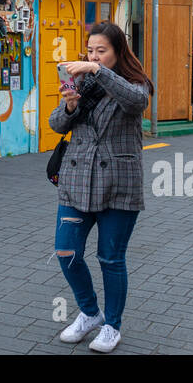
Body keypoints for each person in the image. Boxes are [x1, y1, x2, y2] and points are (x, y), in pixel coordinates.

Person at [47, 21, 152, 354]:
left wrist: (98, 70)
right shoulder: (82, 82)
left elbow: (136, 102)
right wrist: (70, 106)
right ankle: (90, 312)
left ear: (118, 52)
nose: (93, 56)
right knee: (66, 251)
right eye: (90, 50)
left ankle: (112, 326)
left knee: (110, 258)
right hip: (76, 181)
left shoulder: (134, 83)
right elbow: (56, 124)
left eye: (101, 51)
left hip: (119, 184)